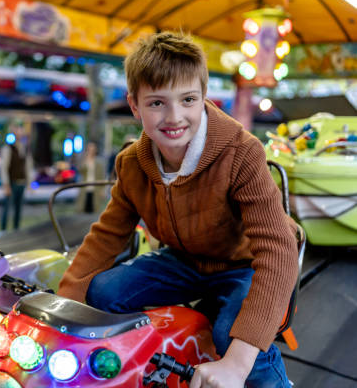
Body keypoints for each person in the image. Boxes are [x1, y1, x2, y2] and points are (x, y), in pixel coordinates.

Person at [57, 32, 298, 388]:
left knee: (233, 337)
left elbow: (278, 250)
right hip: (183, 259)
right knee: (100, 294)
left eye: (187, 100)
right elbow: (108, 234)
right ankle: (137, 370)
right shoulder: (131, 164)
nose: (174, 116)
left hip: (243, 263)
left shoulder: (242, 152)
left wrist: (236, 363)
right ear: (135, 106)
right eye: (156, 103)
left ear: (203, 99)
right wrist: (61, 308)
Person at [0, 123, 33, 231]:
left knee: (18, 209)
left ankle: (16, 229)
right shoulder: (8, 149)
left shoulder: (25, 149)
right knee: (7, 208)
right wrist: (6, 184)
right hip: (12, 182)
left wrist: (29, 183)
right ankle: (3, 230)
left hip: (21, 182)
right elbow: (4, 167)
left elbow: (28, 167)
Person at [75, 142, 107, 213]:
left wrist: (102, 190)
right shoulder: (84, 161)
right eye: (89, 149)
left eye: (93, 149)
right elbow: (80, 170)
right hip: (85, 188)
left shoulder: (99, 162)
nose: (91, 151)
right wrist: (86, 159)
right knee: (83, 208)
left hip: (95, 188)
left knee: (95, 209)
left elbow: (102, 176)